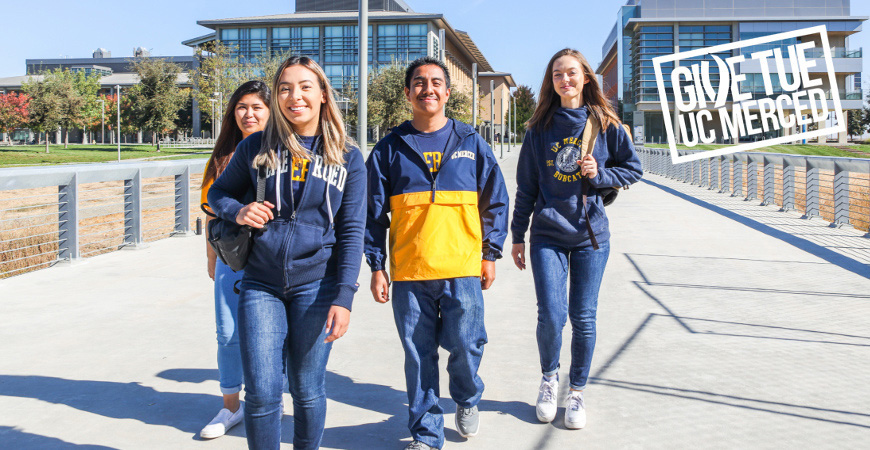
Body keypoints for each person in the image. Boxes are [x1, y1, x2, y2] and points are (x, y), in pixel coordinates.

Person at [208, 56, 366, 450]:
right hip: (260, 284)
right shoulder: (257, 147)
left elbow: (352, 232)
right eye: (284, 88)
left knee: (308, 389)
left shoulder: (348, 157)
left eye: (305, 87)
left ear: (324, 94)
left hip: (317, 286)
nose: (295, 97)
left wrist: (344, 296)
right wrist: (239, 211)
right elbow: (217, 194)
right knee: (261, 393)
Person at [365, 56, 509, 450]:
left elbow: (495, 201)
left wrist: (490, 253)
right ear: (408, 92)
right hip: (410, 273)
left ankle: (466, 397)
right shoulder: (389, 149)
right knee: (419, 355)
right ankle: (427, 435)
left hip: (462, 267)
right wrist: (377, 266)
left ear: (447, 92)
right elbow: (372, 215)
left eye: (435, 83)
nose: (427, 89)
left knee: (466, 344)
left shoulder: (470, 142)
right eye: (418, 82)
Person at [510, 48, 642, 430]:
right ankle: (549, 379)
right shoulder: (539, 128)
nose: (564, 80)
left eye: (571, 73)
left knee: (583, 317)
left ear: (586, 77)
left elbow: (633, 170)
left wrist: (599, 175)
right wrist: (517, 235)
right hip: (548, 235)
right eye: (557, 75)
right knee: (551, 315)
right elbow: (527, 188)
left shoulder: (606, 123)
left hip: (590, 237)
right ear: (551, 82)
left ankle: (577, 390)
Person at [200, 80, 270, 439]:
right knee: (228, 334)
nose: (248, 114)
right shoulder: (222, 155)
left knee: (273, 336)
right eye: (241, 107)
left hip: (273, 260)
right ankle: (230, 406)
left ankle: (271, 402)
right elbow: (210, 210)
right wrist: (211, 257)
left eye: (257, 107)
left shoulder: (281, 151)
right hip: (232, 258)